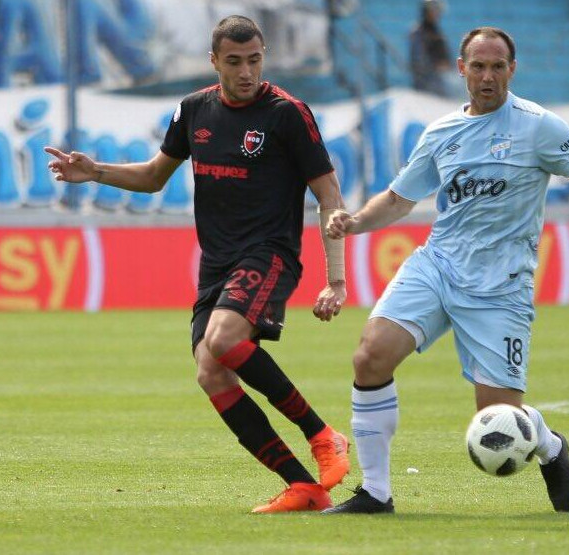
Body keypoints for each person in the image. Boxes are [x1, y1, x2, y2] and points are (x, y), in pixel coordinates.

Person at [321, 26, 569, 514]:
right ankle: (375, 493)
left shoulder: (539, 126)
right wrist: (355, 222)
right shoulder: (441, 134)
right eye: (478, 66)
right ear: (461, 69)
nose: (488, 76)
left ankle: (550, 446)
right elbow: (397, 200)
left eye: (498, 67)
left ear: (512, 70)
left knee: (497, 417)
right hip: (437, 265)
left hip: (500, 287)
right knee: (370, 356)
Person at [44, 15, 351, 514]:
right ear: (215, 62)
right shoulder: (193, 110)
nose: (246, 71)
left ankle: (322, 435)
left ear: (263, 56)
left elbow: (328, 193)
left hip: (269, 251)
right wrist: (95, 171)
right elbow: (152, 177)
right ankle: (304, 487)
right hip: (218, 263)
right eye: (234, 62)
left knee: (224, 340)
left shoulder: (288, 114)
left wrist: (336, 278)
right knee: (211, 370)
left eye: (254, 60)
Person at [408, 0, 453, 97]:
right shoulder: (418, 32)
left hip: (440, 81)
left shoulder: (436, 31)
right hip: (427, 84)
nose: (437, 14)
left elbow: (445, 55)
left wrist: (447, 65)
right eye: (434, 10)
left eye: (438, 11)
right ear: (427, 11)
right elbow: (418, 61)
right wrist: (436, 66)